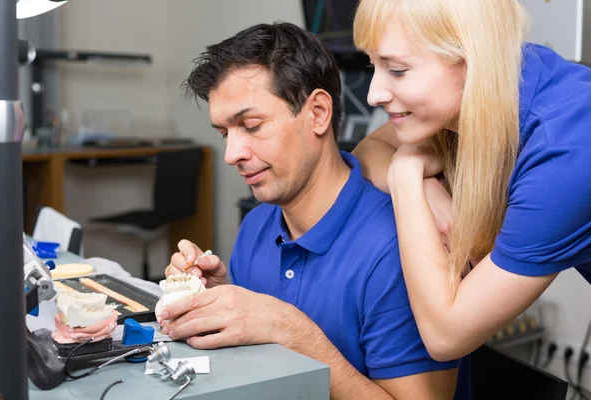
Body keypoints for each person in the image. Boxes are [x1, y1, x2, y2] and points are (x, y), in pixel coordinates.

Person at [159, 22, 468, 399]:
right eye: (226, 133)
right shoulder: (258, 224)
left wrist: (291, 333)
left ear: (319, 113)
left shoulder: (399, 248)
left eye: (251, 126)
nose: (231, 154)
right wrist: (222, 304)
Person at [351, 0, 591, 362]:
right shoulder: (505, 80)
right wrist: (427, 187)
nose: (374, 94)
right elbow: (370, 149)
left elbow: (446, 335)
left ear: (470, 60)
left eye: (397, 70)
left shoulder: (566, 150)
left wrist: (405, 178)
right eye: (374, 66)